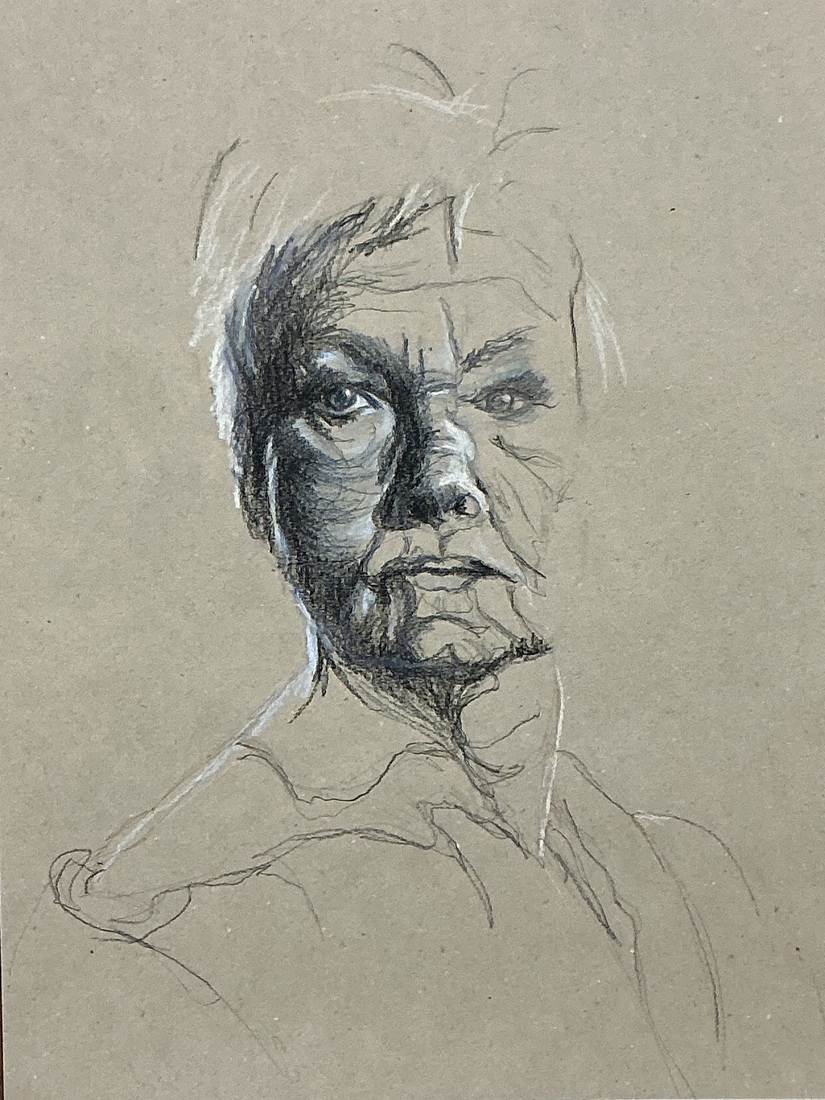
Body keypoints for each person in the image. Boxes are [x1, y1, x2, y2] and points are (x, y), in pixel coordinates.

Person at [41, 172, 825, 1098]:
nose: (442, 481)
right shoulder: (160, 920)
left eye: (508, 398)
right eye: (345, 402)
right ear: (257, 480)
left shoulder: (690, 884)